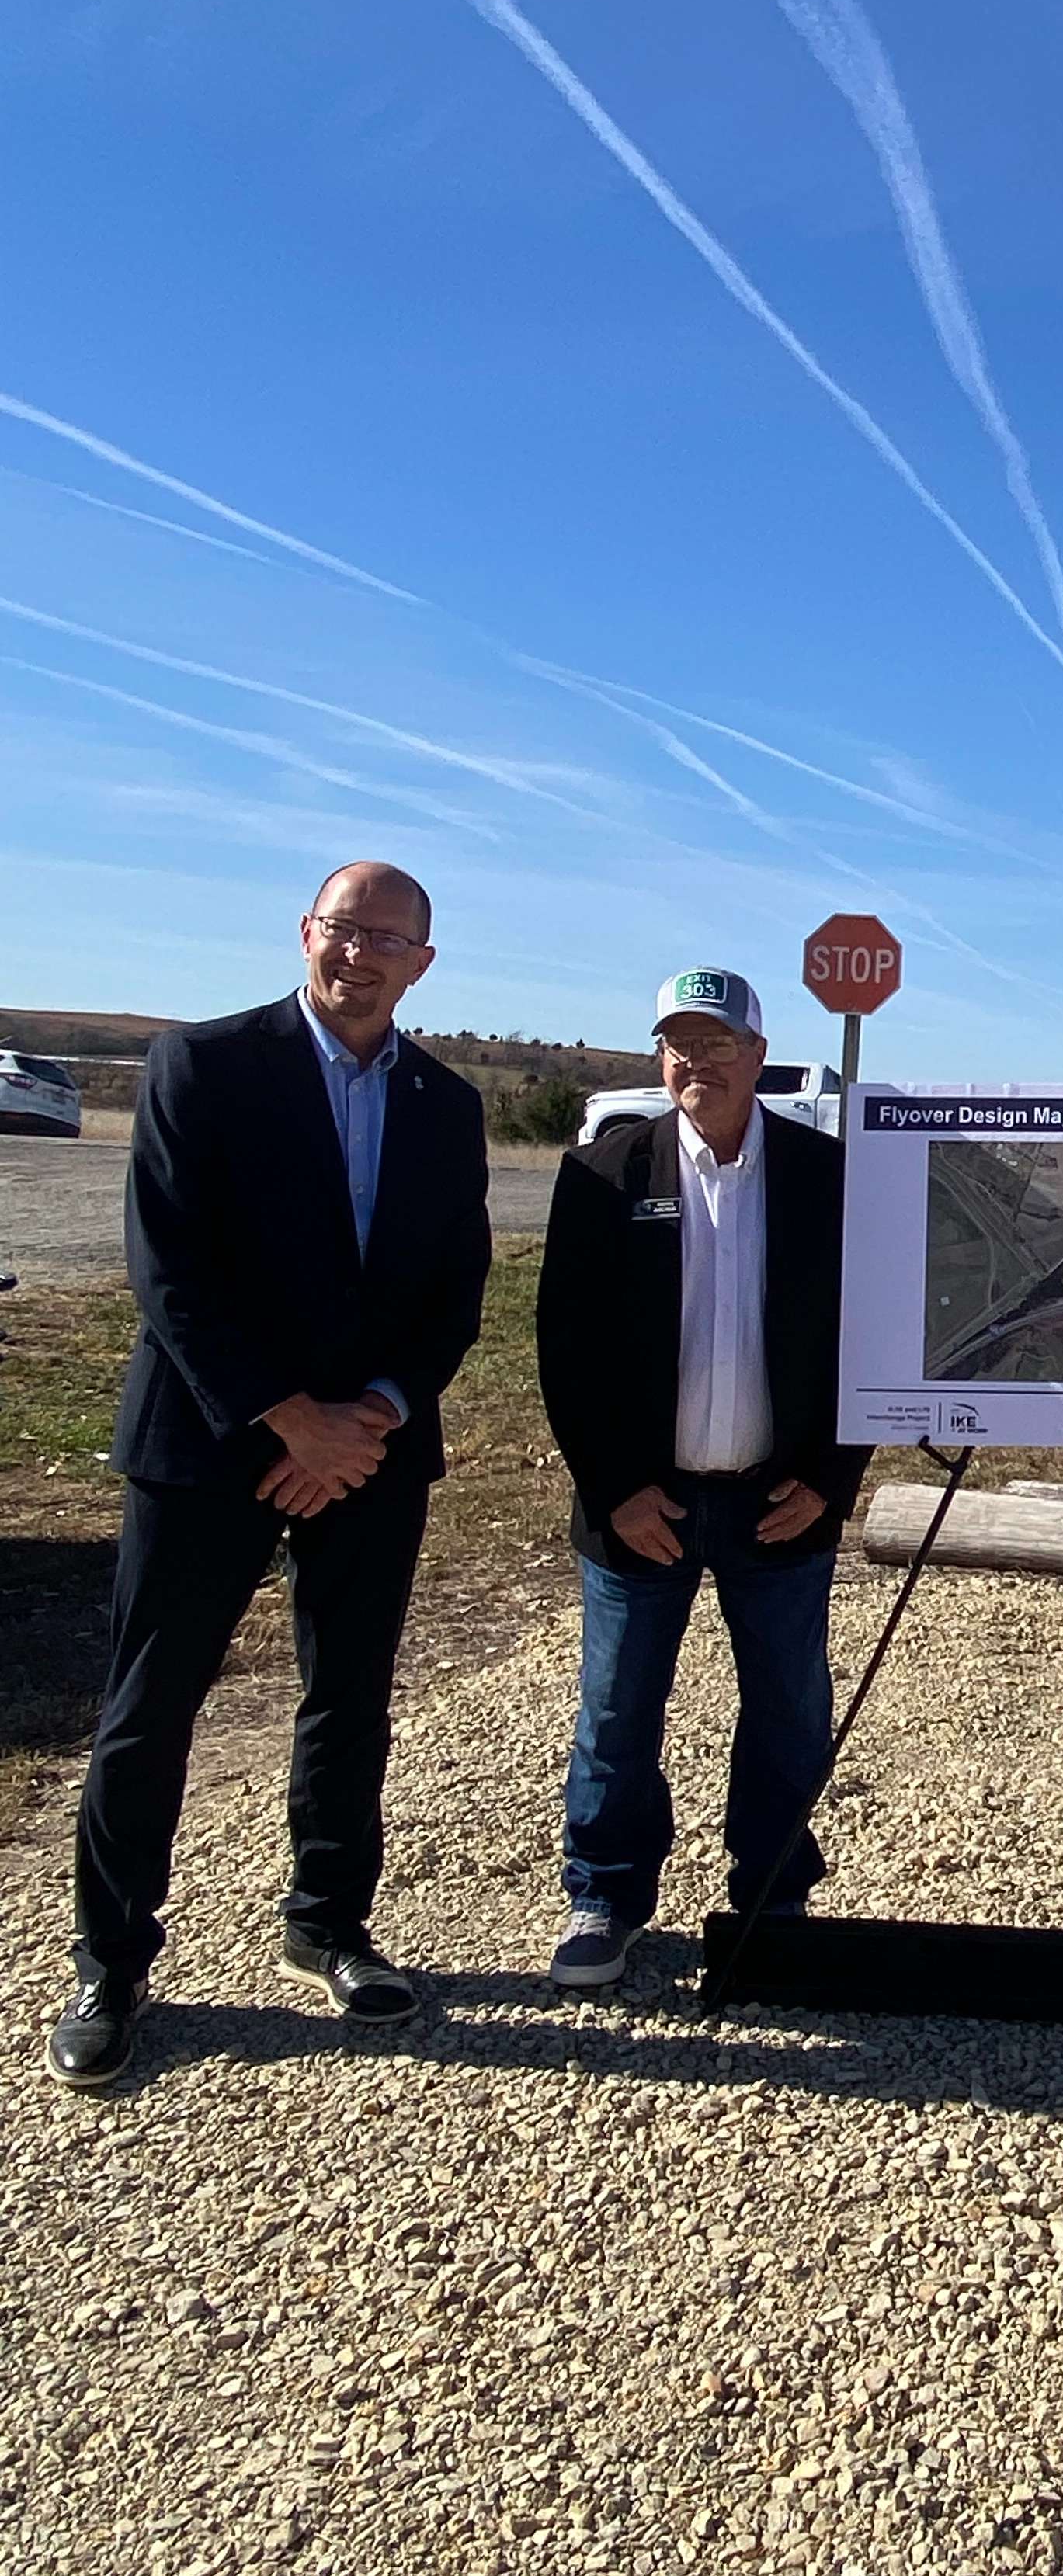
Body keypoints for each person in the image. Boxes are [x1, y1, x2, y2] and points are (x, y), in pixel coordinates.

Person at [48, 864, 491, 2091]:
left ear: (422, 964)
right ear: (307, 934)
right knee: (151, 1710)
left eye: (386, 940)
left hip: (372, 1456)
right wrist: (289, 1424)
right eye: (343, 931)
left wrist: (374, 1418)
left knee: (347, 1701)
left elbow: (452, 1293)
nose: (359, 955)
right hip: (208, 1449)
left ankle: (329, 1923)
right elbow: (171, 1271)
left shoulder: (448, 1108)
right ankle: (110, 1962)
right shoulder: (204, 1065)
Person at [535, 968, 870, 1988]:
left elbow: (866, 1337)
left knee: (787, 1712)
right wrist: (612, 1489)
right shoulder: (603, 1172)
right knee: (618, 1709)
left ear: (759, 1058)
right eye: (681, 1044)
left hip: (781, 1505)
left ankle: (775, 1893)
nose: (699, 1063)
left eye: (720, 1045)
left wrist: (833, 1480)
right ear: (661, 1057)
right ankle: (604, 1897)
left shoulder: (827, 1174)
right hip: (646, 1508)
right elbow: (565, 1344)